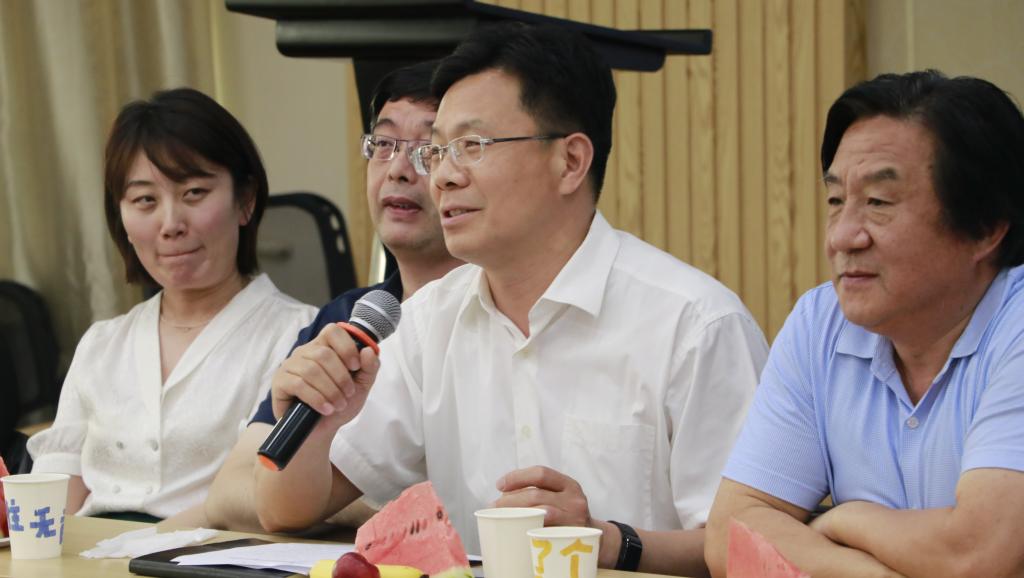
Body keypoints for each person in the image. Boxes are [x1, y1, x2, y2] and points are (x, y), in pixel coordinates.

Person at [255, 23, 768, 576]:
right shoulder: (429, 321)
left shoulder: (695, 325)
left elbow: (751, 548)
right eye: (438, 152)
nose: (442, 178)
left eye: (471, 147)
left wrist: (608, 542)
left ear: (571, 161)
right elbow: (285, 512)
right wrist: (315, 429)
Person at [705, 70, 1024, 578]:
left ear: (985, 228)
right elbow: (731, 535)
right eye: (836, 202)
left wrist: (847, 519)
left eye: (878, 203)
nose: (842, 237)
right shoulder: (821, 323)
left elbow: (979, 553)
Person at [26, 88, 317, 525]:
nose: (170, 224)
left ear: (245, 201)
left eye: (194, 193)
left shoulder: (300, 337)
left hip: (211, 554)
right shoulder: (102, 344)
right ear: (121, 219)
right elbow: (50, 505)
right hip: (88, 555)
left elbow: (276, 499)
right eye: (145, 200)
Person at [204, 61, 463, 532]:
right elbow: (229, 493)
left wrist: (328, 501)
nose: (399, 170)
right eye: (383, 145)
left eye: (427, 149)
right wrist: (365, 509)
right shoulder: (349, 317)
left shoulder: (493, 313)